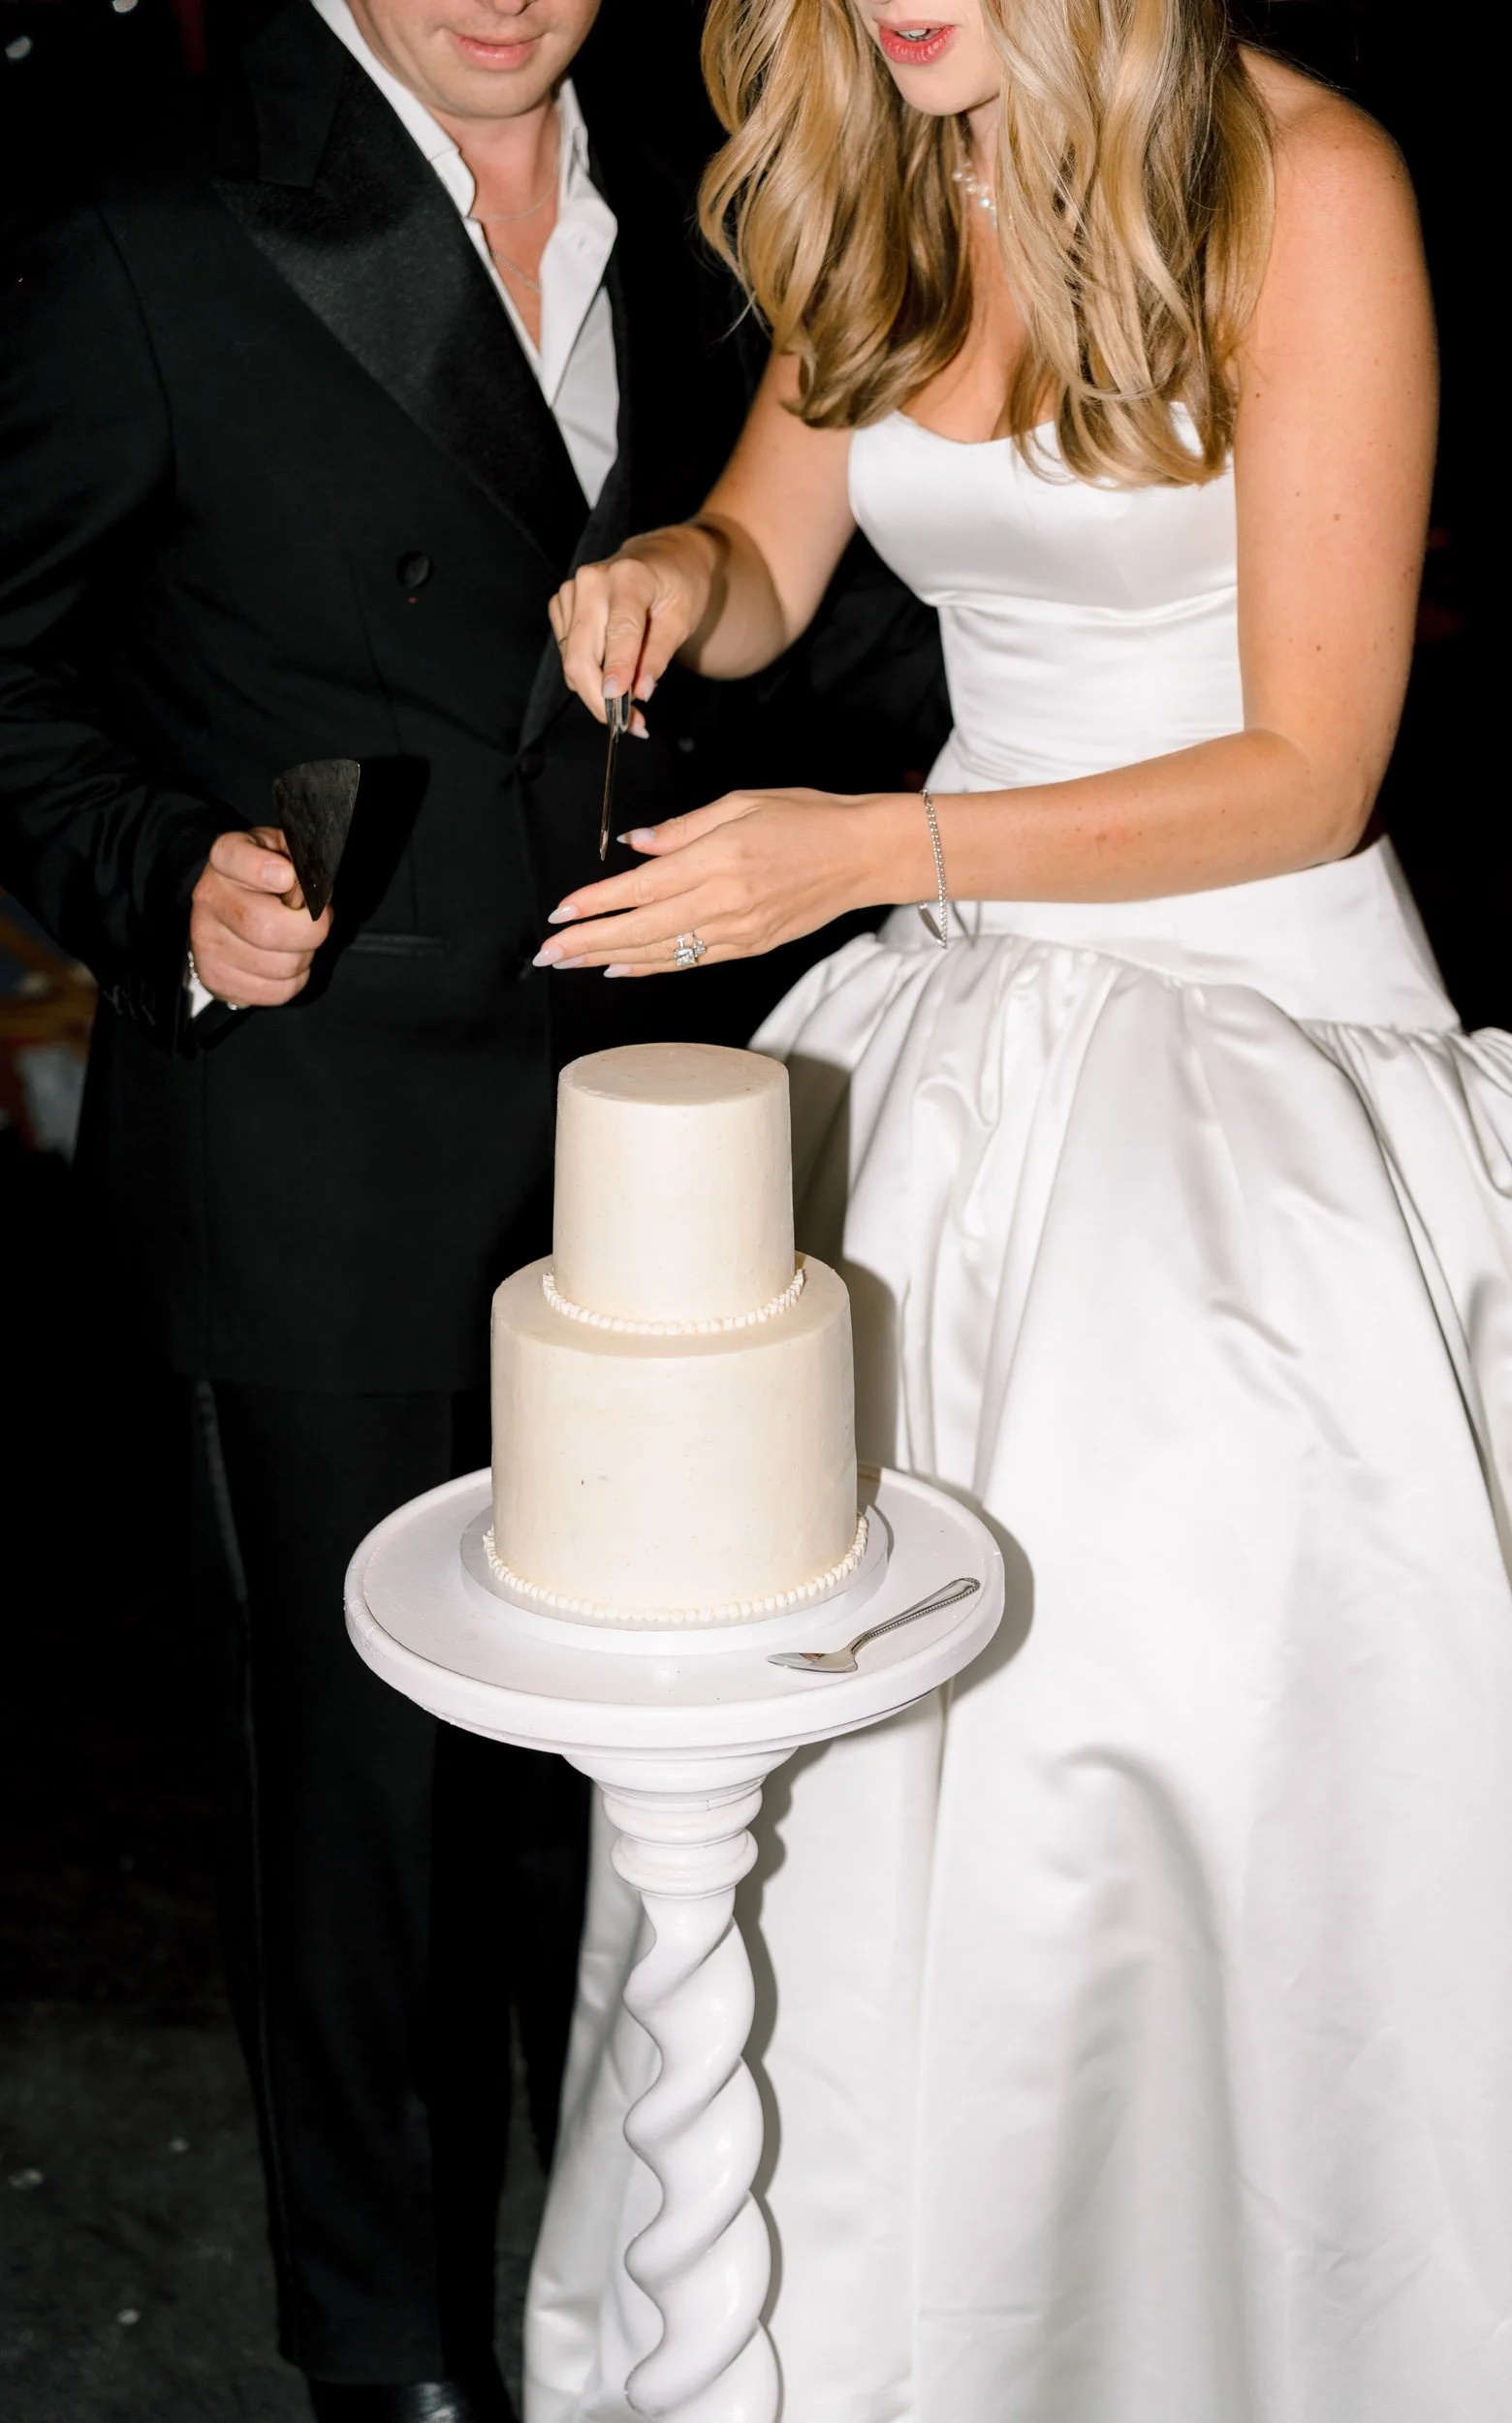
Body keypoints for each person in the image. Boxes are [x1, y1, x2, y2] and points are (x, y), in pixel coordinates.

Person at [526, 2, 1512, 2415]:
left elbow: (1308, 770)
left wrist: (875, 844)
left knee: (1195, 1772)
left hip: (1256, 1056)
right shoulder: (896, 153)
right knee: (829, 1765)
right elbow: (770, 550)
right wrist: (666, 582)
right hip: (957, 1051)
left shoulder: (1309, 183)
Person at [0, 1, 940, 2415]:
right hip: (317, 1122)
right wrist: (156, 882)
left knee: (643, 1771)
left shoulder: (724, 200)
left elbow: (822, 611)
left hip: (656, 1106)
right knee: (361, 1815)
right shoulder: (159, 233)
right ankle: (385, 2355)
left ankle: (637, 2282)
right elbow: (10, 682)